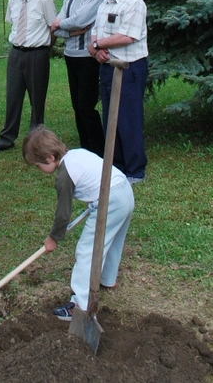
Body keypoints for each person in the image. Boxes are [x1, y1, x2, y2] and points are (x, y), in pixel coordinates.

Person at [22, 125, 134, 320]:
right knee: (113, 239)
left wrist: (53, 237)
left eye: (38, 165)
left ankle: (80, 306)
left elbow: (63, 214)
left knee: (86, 250)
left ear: (49, 158)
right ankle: (107, 279)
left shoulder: (65, 176)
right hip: (124, 190)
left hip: (110, 200)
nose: (39, 170)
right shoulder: (77, 153)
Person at [88, 0, 148, 183]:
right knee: (110, 118)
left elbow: (128, 36)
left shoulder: (134, 4)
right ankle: (117, 166)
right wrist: (95, 50)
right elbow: (95, 31)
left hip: (129, 69)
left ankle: (135, 170)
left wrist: (97, 44)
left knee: (128, 119)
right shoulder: (105, 4)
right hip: (107, 67)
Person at [0, 0, 56, 153]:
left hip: (37, 54)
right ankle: (6, 139)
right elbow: (14, 26)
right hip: (16, 53)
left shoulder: (44, 1)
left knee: (37, 99)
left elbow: (53, 28)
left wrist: (44, 49)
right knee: (13, 97)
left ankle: (36, 142)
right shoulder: (13, 1)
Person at [51, 0, 106, 156]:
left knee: (86, 106)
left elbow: (80, 20)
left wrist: (63, 25)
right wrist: (71, 31)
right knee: (76, 105)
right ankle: (85, 149)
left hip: (87, 57)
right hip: (70, 55)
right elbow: (56, 27)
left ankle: (98, 149)